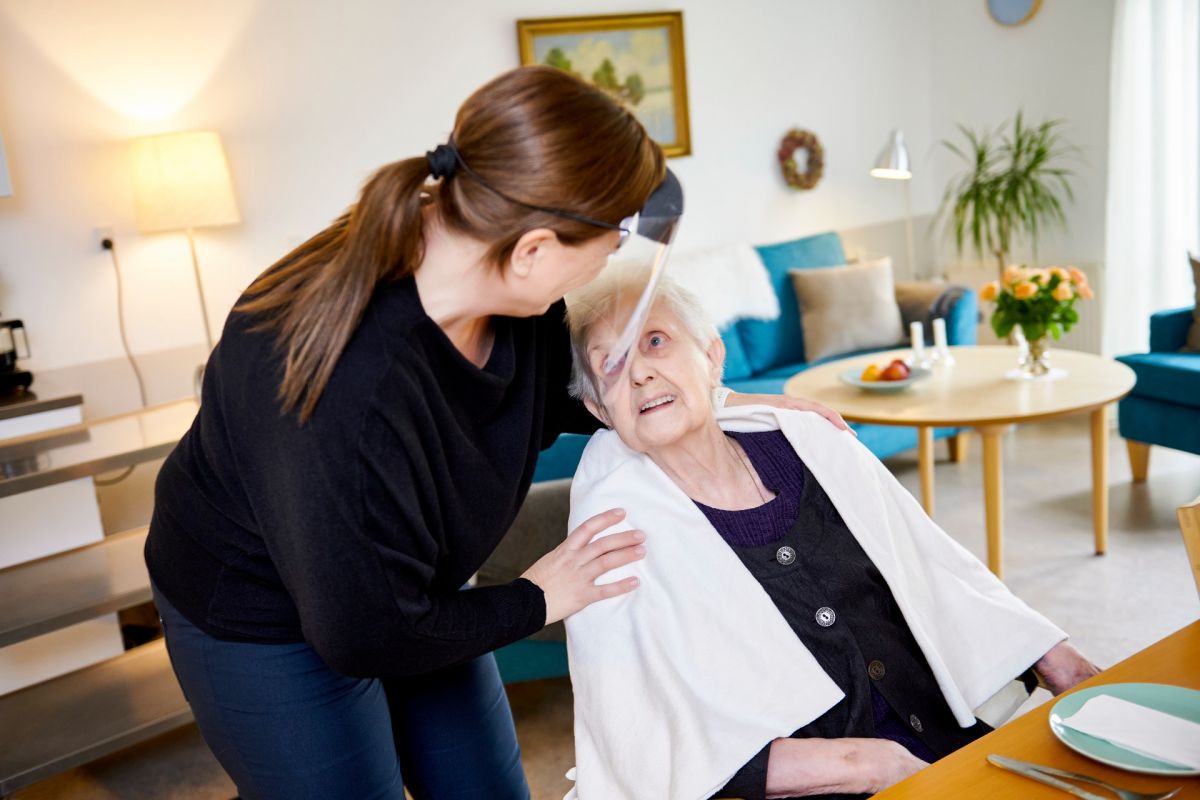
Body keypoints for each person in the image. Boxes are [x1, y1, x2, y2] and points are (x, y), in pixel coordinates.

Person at [144, 66, 847, 800]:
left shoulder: (511, 295)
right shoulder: (344, 390)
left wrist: (726, 399)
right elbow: (364, 633)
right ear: (536, 249)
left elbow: (567, 393)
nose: (610, 260)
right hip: (267, 621)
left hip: (417, 588)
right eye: (607, 246)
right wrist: (540, 596)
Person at [561, 270, 1100, 800]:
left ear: (712, 356)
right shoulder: (614, 539)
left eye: (655, 341)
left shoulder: (813, 445)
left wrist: (1052, 655)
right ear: (598, 409)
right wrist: (866, 763)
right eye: (611, 363)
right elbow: (646, 741)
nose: (639, 374)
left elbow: (934, 566)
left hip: (944, 743)